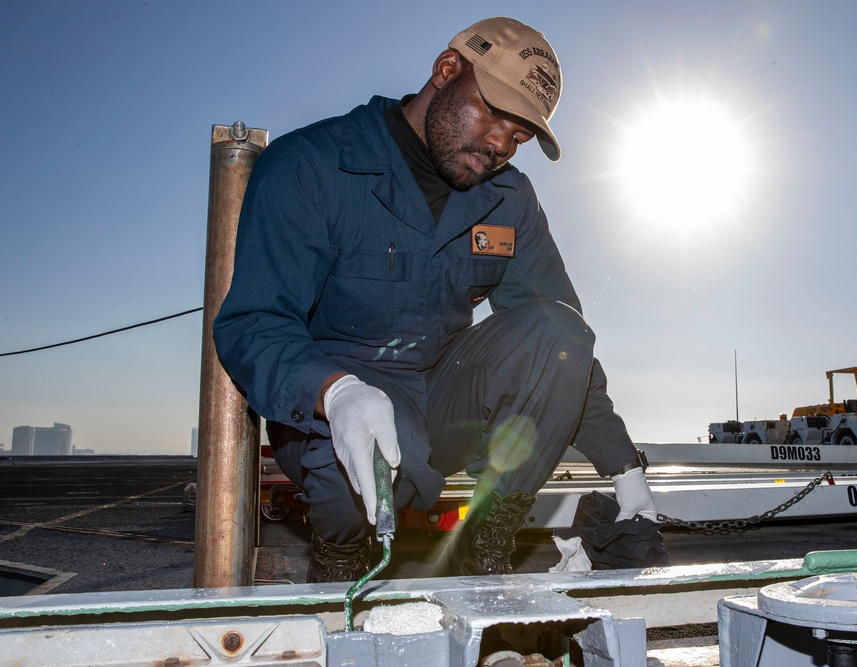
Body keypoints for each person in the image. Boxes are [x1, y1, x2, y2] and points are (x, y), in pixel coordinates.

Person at [213, 16, 661, 582]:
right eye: (495, 112)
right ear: (447, 71)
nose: (502, 143)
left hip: (444, 393)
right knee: (349, 453)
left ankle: (487, 539)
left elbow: (564, 343)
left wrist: (622, 467)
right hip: (344, 396)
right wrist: (334, 392)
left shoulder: (509, 200)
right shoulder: (312, 166)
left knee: (559, 329)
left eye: (520, 135)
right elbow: (254, 322)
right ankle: (342, 559)